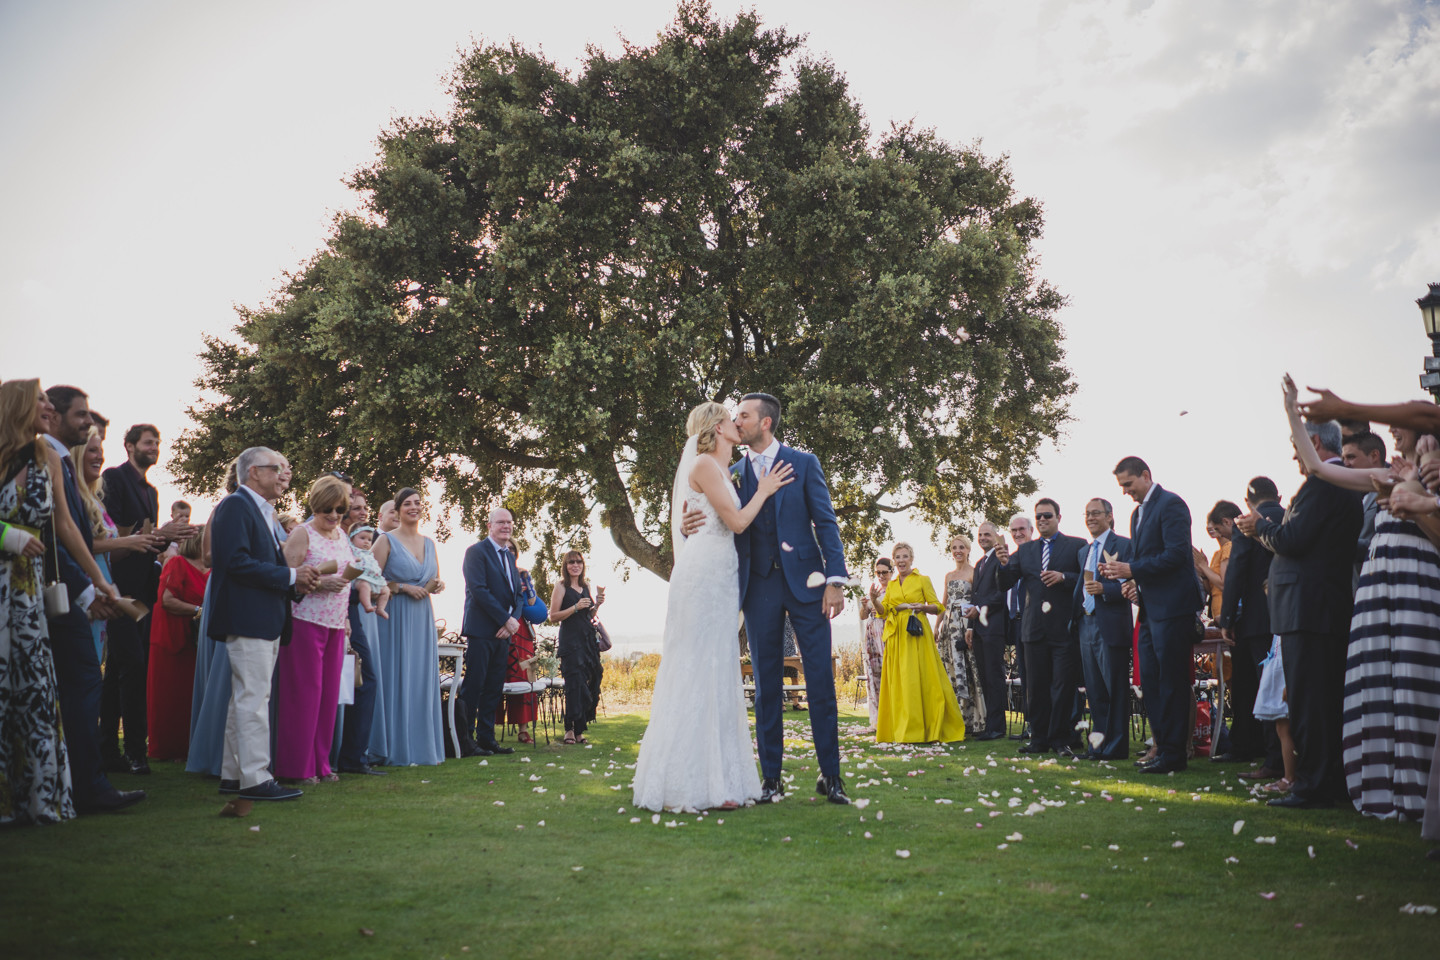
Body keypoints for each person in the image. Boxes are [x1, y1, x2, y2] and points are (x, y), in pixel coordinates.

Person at [1267, 379, 1435, 816]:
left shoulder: (1429, 478)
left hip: (1418, 584)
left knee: (1418, 692)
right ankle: (1393, 791)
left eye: (1402, 430)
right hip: (1379, 592)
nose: (1395, 433)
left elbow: (1421, 410)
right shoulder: (1384, 476)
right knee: (1381, 690)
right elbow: (1323, 468)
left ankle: (1424, 795)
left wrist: (1418, 496)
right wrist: (1291, 412)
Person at [680, 393, 851, 804]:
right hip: (758, 590)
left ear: (766, 423)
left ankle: (832, 777)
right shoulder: (731, 471)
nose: (737, 422)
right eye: (734, 416)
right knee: (766, 688)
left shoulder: (804, 463)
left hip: (808, 588)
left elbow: (826, 523)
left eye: (744, 416)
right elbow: (714, 517)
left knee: (822, 685)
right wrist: (688, 526)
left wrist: (836, 580)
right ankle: (771, 780)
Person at [633, 401, 794, 811]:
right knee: (697, 668)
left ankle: (721, 780)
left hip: (723, 576)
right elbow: (738, 522)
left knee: (720, 669)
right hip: (703, 575)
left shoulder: (729, 470)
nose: (737, 423)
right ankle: (688, 782)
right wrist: (765, 489)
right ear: (717, 427)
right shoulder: (705, 464)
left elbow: (724, 517)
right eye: (731, 418)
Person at [1234, 379, 1364, 808]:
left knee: (1312, 703)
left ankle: (1315, 784)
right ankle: (1318, 780)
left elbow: (1293, 540)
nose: (1294, 454)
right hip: (1307, 609)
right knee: (1310, 701)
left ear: (1313, 442)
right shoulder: (1325, 484)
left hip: (1312, 610)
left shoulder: (1325, 483)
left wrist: (1261, 528)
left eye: (1297, 446)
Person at [1, 381, 113, 822]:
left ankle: (35, 798)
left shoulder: (46, 456)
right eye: (41, 401)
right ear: (19, 407)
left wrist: (98, 580)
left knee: (32, 691)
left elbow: (65, 526)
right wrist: (8, 536)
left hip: (27, 595)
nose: (48, 406)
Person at [38, 384, 139, 814]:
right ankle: (88, 786)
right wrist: (87, 590)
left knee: (79, 687)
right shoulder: (45, 458)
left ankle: (74, 781)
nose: (89, 422)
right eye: (81, 415)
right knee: (82, 687)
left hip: (73, 590)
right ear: (55, 416)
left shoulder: (58, 460)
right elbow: (55, 536)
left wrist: (98, 587)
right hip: (51, 596)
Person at [208, 446, 320, 801]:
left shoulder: (264, 514)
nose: (285, 476)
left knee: (245, 698)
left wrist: (297, 582)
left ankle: (233, 773)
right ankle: (256, 778)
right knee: (253, 699)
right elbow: (235, 562)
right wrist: (290, 575)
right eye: (278, 469)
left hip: (264, 617)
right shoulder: (235, 507)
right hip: (248, 616)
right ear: (254, 471)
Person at [100, 421, 198, 774]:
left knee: (119, 671)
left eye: (157, 442)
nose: (154, 447)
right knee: (132, 666)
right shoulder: (114, 479)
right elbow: (119, 538)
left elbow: (147, 543)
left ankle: (108, 748)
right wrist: (161, 533)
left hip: (143, 591)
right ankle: (135, 754)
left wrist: (163, 537)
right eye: (147, 442)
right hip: (117, 588)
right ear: (129, 446)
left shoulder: (151, 492)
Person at [1101, 457, 1201, 775]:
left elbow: (1176, 554)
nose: (1126, 492)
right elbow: (1144, 561)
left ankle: (1175, 754)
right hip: (1148, 610)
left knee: (1173, 682)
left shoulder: (1172, 505)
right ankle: (1163, 748)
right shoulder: (1136, 514)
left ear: (1146, 476)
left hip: (1174, 607)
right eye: (1122, 487)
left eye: (1129, 485)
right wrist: (1133, 583)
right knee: (1153, 684)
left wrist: (1132, 569)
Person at [275, 476, 353, 783]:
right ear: (314, 507)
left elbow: (346, 572)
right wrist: (320, 583)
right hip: (305, 622)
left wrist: (346, 617)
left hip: (335, 624)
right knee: (303, 696)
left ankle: (322, 764)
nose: (333, 516)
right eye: (327, 510)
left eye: (339, 510)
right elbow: (286, 578)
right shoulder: (301, 534)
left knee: (327, 697)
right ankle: (297, 768)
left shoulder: (341, 535)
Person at [996, 498, 1085, 756]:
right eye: (1039, 517)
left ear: (1058, 517)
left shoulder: (1077, 546)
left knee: (1062, 688)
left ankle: (1059, 739)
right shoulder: (1024, 551)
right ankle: (1039, 740)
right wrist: (1002, 566)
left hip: (1064, 630)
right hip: (1033, 630)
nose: (1043, 520)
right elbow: (1005, 583)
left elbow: (1087, 578)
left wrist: (1064, 577)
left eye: (1047, 515)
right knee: (1035, 688)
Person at [371, 487, 445, 766]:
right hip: (393, 616)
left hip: (422, 616)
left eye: (418, 503)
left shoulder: (429, 543)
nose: (414, 507)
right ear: (399, 509)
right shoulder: (385, 541)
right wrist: (401, 587)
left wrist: (434, 585)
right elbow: (371, 581)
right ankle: (391, 747)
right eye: (408, 504)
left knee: (419, 679)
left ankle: (421, 747)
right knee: (395, 677)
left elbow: (432, 580)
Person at [1221, 477, 1287, 780]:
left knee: (1261, 688)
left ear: (1248, 503)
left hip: (1256, 619)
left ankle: (1271, 757)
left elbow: (1236, 571)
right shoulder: (1289, 517)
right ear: (1278, 496)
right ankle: (1279, 752)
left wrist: (1227, 619)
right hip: (1287, 614)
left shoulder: (1247, 523)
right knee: (1284, 687)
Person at [871, 541, 965, 744]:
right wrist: (874, 599)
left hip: (917, 634)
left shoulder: (923, 579)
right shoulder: (893, 585)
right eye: (898, 557)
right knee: (902, 682)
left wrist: (922, 607)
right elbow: (883, 611)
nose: (901, 560)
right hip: (897, 637)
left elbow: (939, 607)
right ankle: (903, 729)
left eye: (905, 556)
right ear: (894, 561)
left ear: (911, 558)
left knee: (920, 679)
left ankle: (927, 728)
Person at [458, 507, 524, 756]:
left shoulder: (509, 556)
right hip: (481, 630)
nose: (506, 526)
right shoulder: (476, 552)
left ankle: (487, 739)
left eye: (509, 522)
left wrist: (513, 621)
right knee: (474, 685)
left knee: (494, 687)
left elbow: (518, 595)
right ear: (489, 526)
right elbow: (479, 590)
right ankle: (465, 740)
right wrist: (505, 619)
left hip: (504, 632)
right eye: (500, 522)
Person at [186, 461, 238, 777]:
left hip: (244, 591)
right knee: (223, 672)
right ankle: (213, 752)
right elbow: (207, 558)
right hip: (225, 589)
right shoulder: (222, 509)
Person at [1073, 498, 1133, 761]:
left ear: (1109, 516)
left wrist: (1105, 590)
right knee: (1095, 691)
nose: (1090, 518)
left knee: (1114, 689)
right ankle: (1098, 745)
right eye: (1087, 514)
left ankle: (1117, 746)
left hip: (1110, 624)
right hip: (1085, 623)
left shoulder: (1124, 545)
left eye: (1096, 513)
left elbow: (1133, 585)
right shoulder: (1083, 552)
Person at [146, 525, 208, 761]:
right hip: (172, 637)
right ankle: (166, 748)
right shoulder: (176, 563)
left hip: (198, 640)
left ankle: (191, 746)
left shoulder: (212, 570)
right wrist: (199, 611)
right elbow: (167, 600)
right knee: (169, 695)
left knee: (191, 695)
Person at [548, 550, 606, 745]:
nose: (575, 565)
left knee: (589, 682)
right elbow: (553, 616)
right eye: (571, 562)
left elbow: (588, 615)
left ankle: (581, 729)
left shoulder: (585, 586)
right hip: (570, 642)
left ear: (583, 565)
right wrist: (574, 607)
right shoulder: (561, 586)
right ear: (566, 565)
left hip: (587, 641)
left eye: (579, 562)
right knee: (574, 685)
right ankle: (570, 730)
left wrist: (596, 605)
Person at [496, 541, 545, 743]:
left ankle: (523, 730)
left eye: (513, 549)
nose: (510, 551)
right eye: (506, 548)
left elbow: (532, 603)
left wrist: (528, 583)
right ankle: (489, 725)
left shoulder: (522, 572)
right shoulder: (493, 570)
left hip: (522, 630)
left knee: (525, 676)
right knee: (498, 675)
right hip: (499, 625)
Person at [937, 533, 986, 734]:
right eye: (954, 547)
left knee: (968, 669)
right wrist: (936, 627)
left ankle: (973, 720)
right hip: (948, 626)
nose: (958, 551)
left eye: (961, 547)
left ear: (968, 550)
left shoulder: (974, 573)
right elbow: (943, 603)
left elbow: (977, 600)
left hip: (966, 624)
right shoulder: (948, 575)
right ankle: (954, 718)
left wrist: (971, 627)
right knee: (949, 670)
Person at [968, 522, 1008, 741]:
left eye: (987, 534)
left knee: (994, 677)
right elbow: (975, 596)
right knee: (984, 678)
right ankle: (989, 724)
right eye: (980, 534)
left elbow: (1001, 594)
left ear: (996, 537)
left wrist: (979, 609)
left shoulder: (1000, 560)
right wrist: (970, 627)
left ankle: (998, 727)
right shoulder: (979, 563)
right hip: (979, 629)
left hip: (994, 627)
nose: (982, 537)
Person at [1341, 431, 1387, 585]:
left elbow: (1385, 541)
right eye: (1343, 459)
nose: (1345, 464)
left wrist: (1337, 541)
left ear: (1374, 456)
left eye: (1351, 457)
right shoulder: (1354, 495)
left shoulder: (1393, 489)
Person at [856, 557, 893, 735]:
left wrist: (874, 601)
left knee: (889, 676)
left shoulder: (894, 590)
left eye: (884, 572)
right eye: (878, 572)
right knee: (873, 677)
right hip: (871, 635)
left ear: (891, 572)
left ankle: (891, 718)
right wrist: (865, 605)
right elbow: (864, 616)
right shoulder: (874, 589)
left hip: (886, 633)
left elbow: (884, 611)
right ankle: (876, 720)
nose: (881, 575)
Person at [1005, 514, 1033, 739]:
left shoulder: (1039, 554)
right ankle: (1031, 725)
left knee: (1038, 677)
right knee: (1025, 677)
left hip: (1037, 623)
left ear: (1031, 530)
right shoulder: (1011, 559)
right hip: (1016, 623)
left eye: (1021, 529)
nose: (1017, 534)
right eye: (1013, 530)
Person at [1195, 501, 1240, 620]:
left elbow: (1224, 584)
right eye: (1207, 523)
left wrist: (1204, 567)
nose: (1209, 527)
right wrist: (1203, 574)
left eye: (1213, 523)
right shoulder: (1216, 554)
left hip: (1226, 612)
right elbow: (1212, 590)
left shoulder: (1229, 547)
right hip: (1217, 613)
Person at [347, 526, 390, 618]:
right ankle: (367, 606)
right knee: (364, 586)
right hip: (359, 578)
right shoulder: (352, 551)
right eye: (362, 538)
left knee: (386, 590)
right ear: (351, 539)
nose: (366, 542)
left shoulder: (369, 554)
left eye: (369, 540)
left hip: (373, 579)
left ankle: (380, 608)